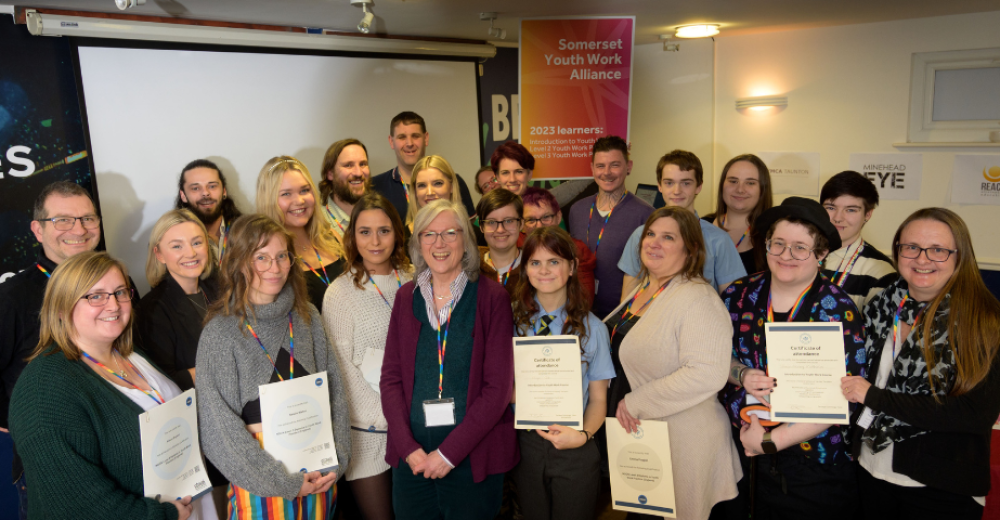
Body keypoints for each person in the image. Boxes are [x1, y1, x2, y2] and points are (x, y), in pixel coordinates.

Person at [9, 251, 211, 520]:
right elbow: (75, 506)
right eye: (95, 296)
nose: (114, 305)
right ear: (61, 308)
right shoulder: (44, 390)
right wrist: (160, 515)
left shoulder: (132, 354)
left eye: (119, 292)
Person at [842, 208, 1000, 520]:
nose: (922, 259)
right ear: (897, 250)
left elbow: (974, 414)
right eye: (911, 247)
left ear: (959, 255)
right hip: (872, 470)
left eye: (938, 250)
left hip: (941, 485)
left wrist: (874, 396)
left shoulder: (982, 319)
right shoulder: (884, 305)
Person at [196, 214, 351, 519]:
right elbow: (218, 430)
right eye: (262, 258)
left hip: (320, 481)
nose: (275, 268)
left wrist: (338, 459)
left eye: (282, 256)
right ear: (240, 262)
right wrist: (281, 481)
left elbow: (336, 392)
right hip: (261, 490)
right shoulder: (221, 332)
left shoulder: (307, 315)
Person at [719, 197, 865, 519]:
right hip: (739, 446)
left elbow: (842, 398)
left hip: (810, 462)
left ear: (822, 254)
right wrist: (740, 373)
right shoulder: (738, 295)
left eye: (800, 248)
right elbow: (712, 357)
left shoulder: (837, 309)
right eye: (778, 244)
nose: (786, 255)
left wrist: (770, 442)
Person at [380, 199, 518, 520]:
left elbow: (497, 388)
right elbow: (390, 380)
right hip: (412, 462)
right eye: (429, 234)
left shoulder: (492, 298)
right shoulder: (405, 297)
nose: (439, 244)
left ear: (466, 241)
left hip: (472, 460)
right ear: (418, 243)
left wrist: (448, 454)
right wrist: (408, 449)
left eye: (450, 233)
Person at [609, 207, 742, 520]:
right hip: (649, 438)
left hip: (686, 442)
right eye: (651, 234)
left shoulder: (698, 298)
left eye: (668, 237)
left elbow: (707, 373)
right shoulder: (645, 288)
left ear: (691, 249)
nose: (654, 242)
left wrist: (636, 401)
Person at [0, 181, 111, 517]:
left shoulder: (115, 283)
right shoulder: (13, 298)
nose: (78, 229)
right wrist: (16, 422)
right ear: (37, 229)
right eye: (63, 220)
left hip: (118, 450)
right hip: (50, 465)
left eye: (87, 219)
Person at [511, 227, 614, 520]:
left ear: (571, 267)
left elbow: (597, 399)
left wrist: (583, 435)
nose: (544, 270)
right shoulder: (509, 321)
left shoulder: (593, 328)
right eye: (535, 262)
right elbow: (499, 386)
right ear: (526, 269)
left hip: (575, 447)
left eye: (554, 261)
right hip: (526, 444)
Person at [324, 193, 413, 520]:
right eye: (365, 231)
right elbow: (341, 372)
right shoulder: (339, 294)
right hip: (367, 432)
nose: (375, 241)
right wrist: (392, 415)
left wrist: (408, 419)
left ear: (397, 233)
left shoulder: (415, 278)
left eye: (384, 230)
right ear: (352, 237)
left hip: (415, 428)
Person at [617, 150, 745, 297]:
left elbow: (733, 300)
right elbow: (628, 295)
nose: (676, 191)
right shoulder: (641, 235)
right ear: (659, 186)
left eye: (686, 183)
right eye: (669, 183)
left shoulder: (719, 240)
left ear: (698, 186)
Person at [568, 136, 654, 317]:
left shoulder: (645, 215)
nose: (607, 172)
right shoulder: (577, 210)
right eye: (600, 166)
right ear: (592, 169)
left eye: (614, 165)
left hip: (622, 315)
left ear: (628, 167)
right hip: (579, 312)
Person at [139, 209, 217, 391]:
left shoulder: (221, 289)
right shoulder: (152, 310)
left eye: (197, 242)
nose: (190, 253)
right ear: (159, 254)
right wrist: (222, 368)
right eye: (177, 246)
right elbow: (164, 381)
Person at [256, 155, 345, 313]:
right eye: (286, 194)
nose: (299, 201)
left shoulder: (333, 237)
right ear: (268, 200)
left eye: (304, 190)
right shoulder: (266, 259)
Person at [370, 111, 476, 221]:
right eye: (402, 137)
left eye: (415, 136)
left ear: (426, 138)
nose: (409, 143)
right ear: (391, 141)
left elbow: (471, 232)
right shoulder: (375, 186)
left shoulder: (453, 181)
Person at [820, 171, 898, 310]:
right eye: (831, 208)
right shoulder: (799, 253)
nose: (838, 218)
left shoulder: (880, 271)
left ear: (867, 214)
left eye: (850, 210)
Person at [521, 187, 596, 305]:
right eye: (531, 219)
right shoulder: (517, 249)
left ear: (558, 217)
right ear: (522, 225)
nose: (539, 225)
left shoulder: (577, 250)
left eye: (546, 217)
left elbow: (583, 301)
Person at [706, 154, 773, 275]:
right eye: (733, 181)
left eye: (750, 183)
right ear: (722, 185)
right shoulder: (701, 225)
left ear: (762, 189)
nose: (740, 189)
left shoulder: (773, 235)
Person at [175, 159, 243, 262]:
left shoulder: (247, 231)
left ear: (224, 191)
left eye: (212, 186)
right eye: (195, 188)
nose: (205, 193)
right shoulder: (173, 239)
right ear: (183, 195)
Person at [320, 138, 372, 237]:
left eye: (362, 164)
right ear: (330, 173)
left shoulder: (380, 214)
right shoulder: (317, 223)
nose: (358, 173)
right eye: (348, 165)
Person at [477, 189, 523, 298]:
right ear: (481, 226)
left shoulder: (535, 267)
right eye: (491, 222)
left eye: (508, 221)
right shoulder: (469, 268)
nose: (500, 230)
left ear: (521, 223)